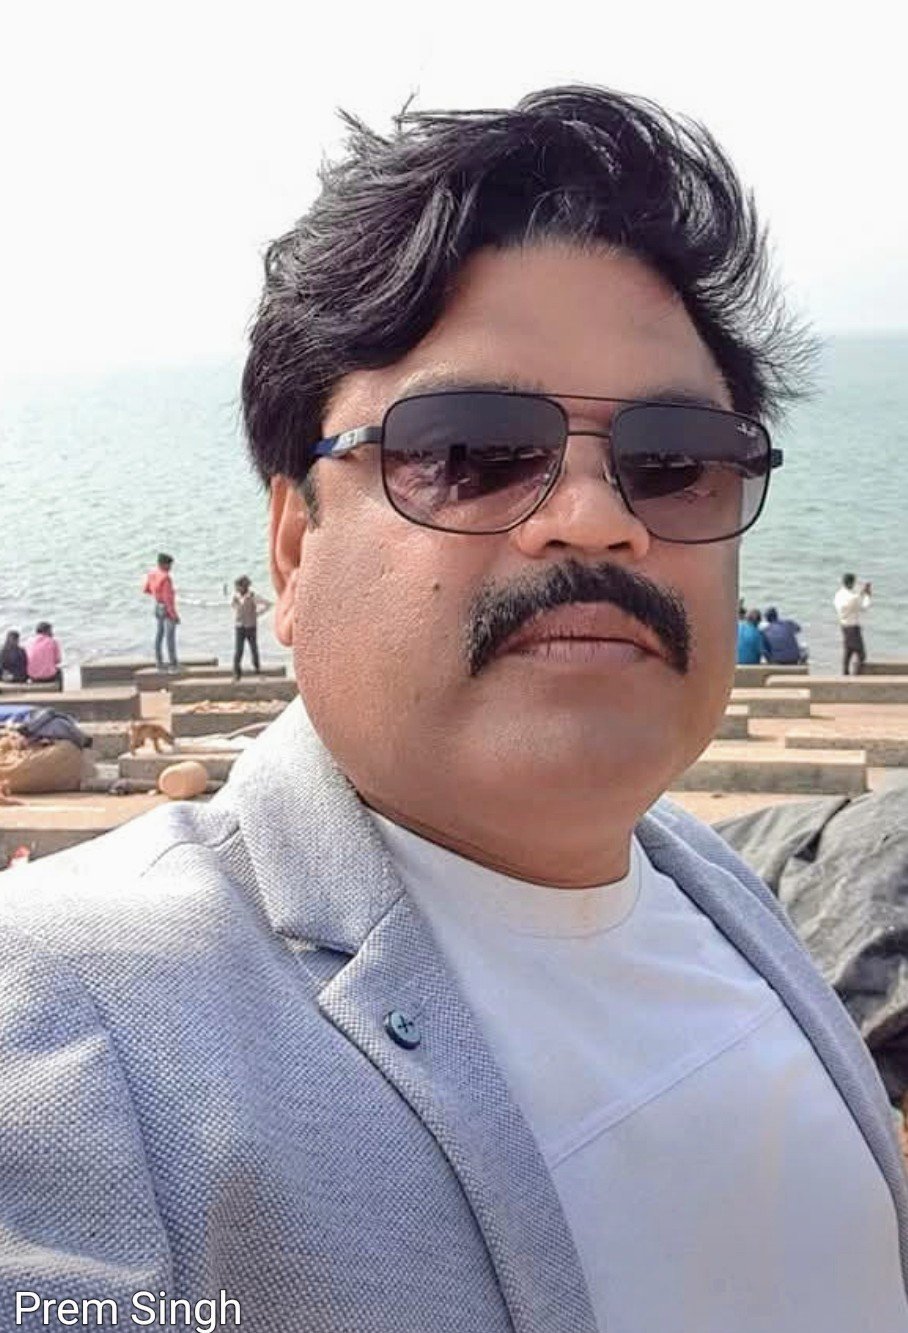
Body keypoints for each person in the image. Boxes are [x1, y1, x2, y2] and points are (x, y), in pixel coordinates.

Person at [1, 87, 906, 1333]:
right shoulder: (69, 1028)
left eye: (673, 460)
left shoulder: (706, 885)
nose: (594, 517)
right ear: (293, 546)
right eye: (469, 448)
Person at [143, 551, 180, 671]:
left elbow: (146, 589)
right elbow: (168, 599)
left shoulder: (152, 574)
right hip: (166, 608)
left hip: (158, 606)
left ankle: (159, 661)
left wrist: (156, 593)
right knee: (170, 637)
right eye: (169, 565)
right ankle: (173, 663)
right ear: (164, 564)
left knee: (159, 635)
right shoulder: (166, 578)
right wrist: (174, 615)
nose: (170, 568)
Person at [231, 575, 271, 680]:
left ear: (244, 586)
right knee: (238, 650)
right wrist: (237, 611)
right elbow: (233, 606)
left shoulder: (253, 596)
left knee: (253, 648)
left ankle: (257, 668)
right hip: (239, 626)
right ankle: (236, 672)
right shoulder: (236, 597)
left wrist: (257, 614)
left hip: (251, 626)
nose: (236, 588)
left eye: (238, 586)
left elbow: (268, 604)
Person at [835, 571, 872, 675]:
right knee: (861, 655)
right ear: (851, 583)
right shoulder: (853, 598)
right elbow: (864, 607)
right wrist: (867, 595)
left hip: (844, 626)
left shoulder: (839, 595)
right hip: (853, 628)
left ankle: (845, 673)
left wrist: (861, 593)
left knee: (848, 652)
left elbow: (854, 599)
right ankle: (855, 675)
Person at [23, 620, 62, 688]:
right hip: (49, 677)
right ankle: (58, 692)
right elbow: (58, 660)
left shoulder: (29, 641)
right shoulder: (53, 642)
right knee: (59, 672)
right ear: (47, 631)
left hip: (32, 676)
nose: (52, 632)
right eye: (50, 630)